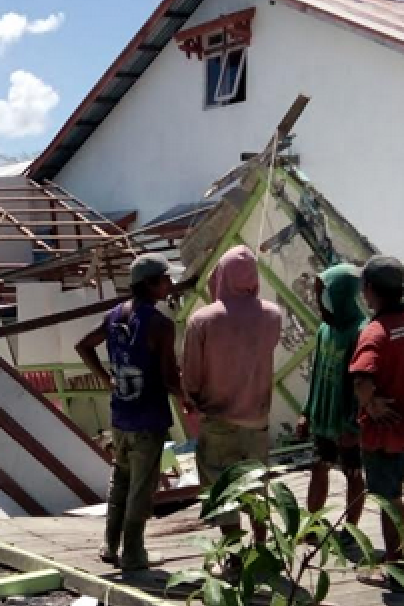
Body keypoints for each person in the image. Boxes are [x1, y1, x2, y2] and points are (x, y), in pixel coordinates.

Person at [76, 253, 183, 572]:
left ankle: (110, 546)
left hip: (120, 416)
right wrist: (191, 398)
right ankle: (134, 553)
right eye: (165, 280)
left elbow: (83, 345)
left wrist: (106, 378)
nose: (170, 284)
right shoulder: (160, 325)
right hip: (148, 418)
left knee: (120, 480)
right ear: (150, 284)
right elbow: (168, 377)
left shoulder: (114, 315)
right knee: (142, 487)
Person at [183, 245, 283, 576]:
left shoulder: (202, 320)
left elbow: (191, 377)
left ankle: (234, 558)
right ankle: (262, 551)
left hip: (219, 420)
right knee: (256, 487)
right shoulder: (272, 315)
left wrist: (193, 402)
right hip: (257, 419)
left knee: (221, 487)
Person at [348, 256, 404, 576]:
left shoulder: (375, 332)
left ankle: (396, 563)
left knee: (388, 497)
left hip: (384, 432)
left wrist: (369, 404)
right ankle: (395, 557)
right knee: (394, 491)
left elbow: (361, 378)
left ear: (369, 290)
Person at [296, 264, 367, 543]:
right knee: (318, 466)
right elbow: (316, 375)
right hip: (323, 415)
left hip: (347, 418)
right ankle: (312, 525)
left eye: (324, 295)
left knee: (352, 473)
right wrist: (306, 412)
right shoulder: (325, 329)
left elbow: (363, 385)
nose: (319, 303)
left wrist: (353, 425)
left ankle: (351, 530)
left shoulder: (360, 332)